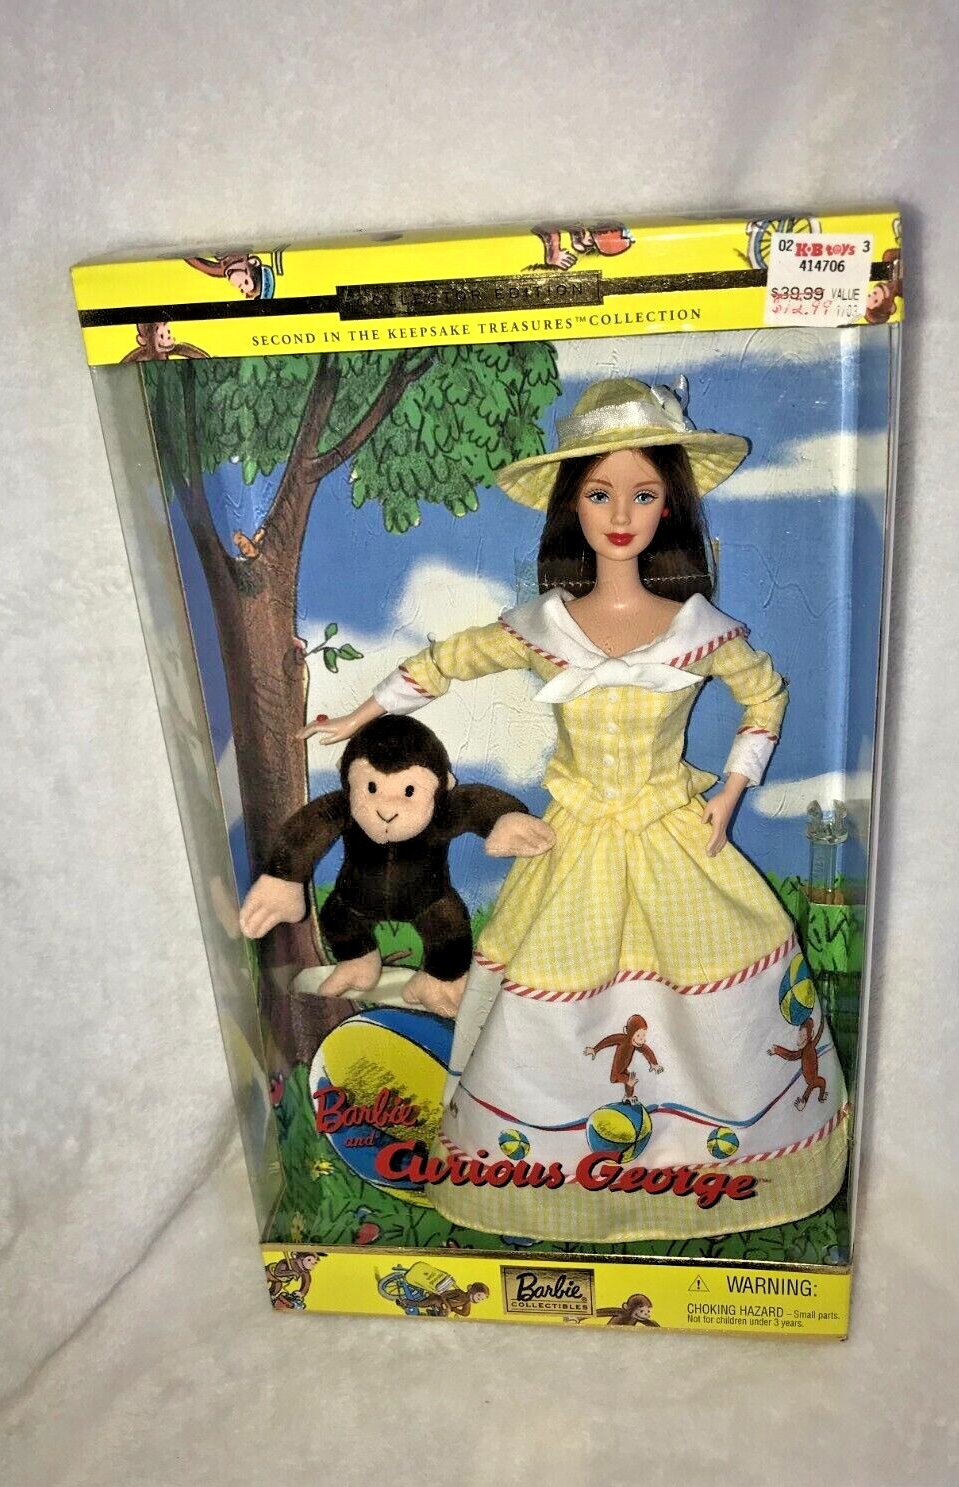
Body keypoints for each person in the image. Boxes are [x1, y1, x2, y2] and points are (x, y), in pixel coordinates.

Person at [303, 378, 848, 1241]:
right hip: (577, 841)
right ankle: (548, 1173)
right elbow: (444, 662)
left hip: (673, 836)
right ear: (571, 506)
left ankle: (708, 1162)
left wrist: (730, 792)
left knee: (706, 1000)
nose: (620, 515)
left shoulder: (697, 629)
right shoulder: (543, 627)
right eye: (599, 494)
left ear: (671, 505)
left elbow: (765, 697)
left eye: (643, 494)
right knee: (552, 999)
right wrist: (357, 718)